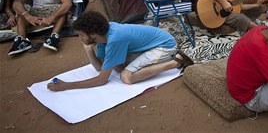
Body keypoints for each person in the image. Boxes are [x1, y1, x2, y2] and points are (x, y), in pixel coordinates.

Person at [47, 11, 193, 91]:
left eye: (81, 35)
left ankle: (176, 62)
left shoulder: (114, 39)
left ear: (93, 34)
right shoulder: (103, 34)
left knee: (126, 77)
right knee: (117, 66)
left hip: (165, 45)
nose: (79, 38)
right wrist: (88, 50)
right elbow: (100, 67)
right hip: (150, 45)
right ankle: (165, 61)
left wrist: (66, 86)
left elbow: (101, 80)